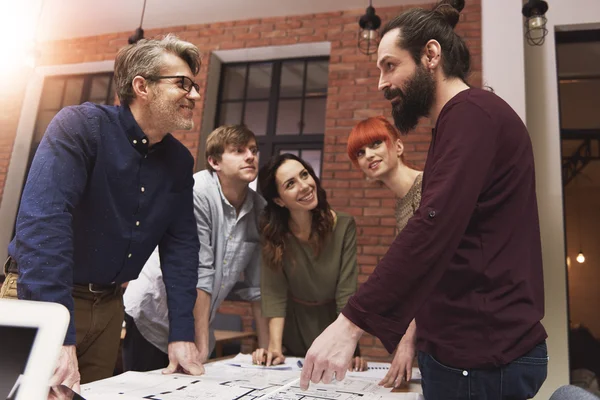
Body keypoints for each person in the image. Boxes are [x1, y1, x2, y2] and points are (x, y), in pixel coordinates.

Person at [300, 1, 548, 398]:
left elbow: (433, 225)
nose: (382, 83)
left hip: (483, 357)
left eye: (389, 66)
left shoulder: (471, 114)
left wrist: (350, 323)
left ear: (431, 55)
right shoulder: (457, 120)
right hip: (465, 352)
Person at [0, 34, 206, 389]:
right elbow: (43, 225)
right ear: (142, 86)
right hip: (44, 297)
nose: (195, 95)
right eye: (183, 84)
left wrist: (182, 333)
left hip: (110, 307)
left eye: (195, 85)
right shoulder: (80, 127)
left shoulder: (178, 162)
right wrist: (59, 334)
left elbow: (182, 249)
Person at [123, 125, 269, 371]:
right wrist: (198, 342)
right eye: (238, 150)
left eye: (254, 150)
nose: (250, 156)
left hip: (197, 323)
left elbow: (257, 287)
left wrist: (266, 349)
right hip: (153, 315)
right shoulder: (196, 190)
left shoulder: (260, 209)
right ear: (214, 161)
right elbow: (201, 271)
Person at [250, 154, 367, 372]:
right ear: (279, 200)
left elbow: (346, 293)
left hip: (336, 327)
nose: (304, 186)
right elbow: (274, 293)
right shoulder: (274, 235)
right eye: (291, 184)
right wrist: (274, 347)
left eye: (305, 174)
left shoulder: (343, 225)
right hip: (292, 329)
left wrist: (348, 346)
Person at [347, 116, 422, 387]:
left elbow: (433, 276)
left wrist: (407, 341)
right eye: (360, 152)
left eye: (376, 143)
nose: (368, 155)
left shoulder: (428, 188)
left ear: (398, 147)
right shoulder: (402, 205)